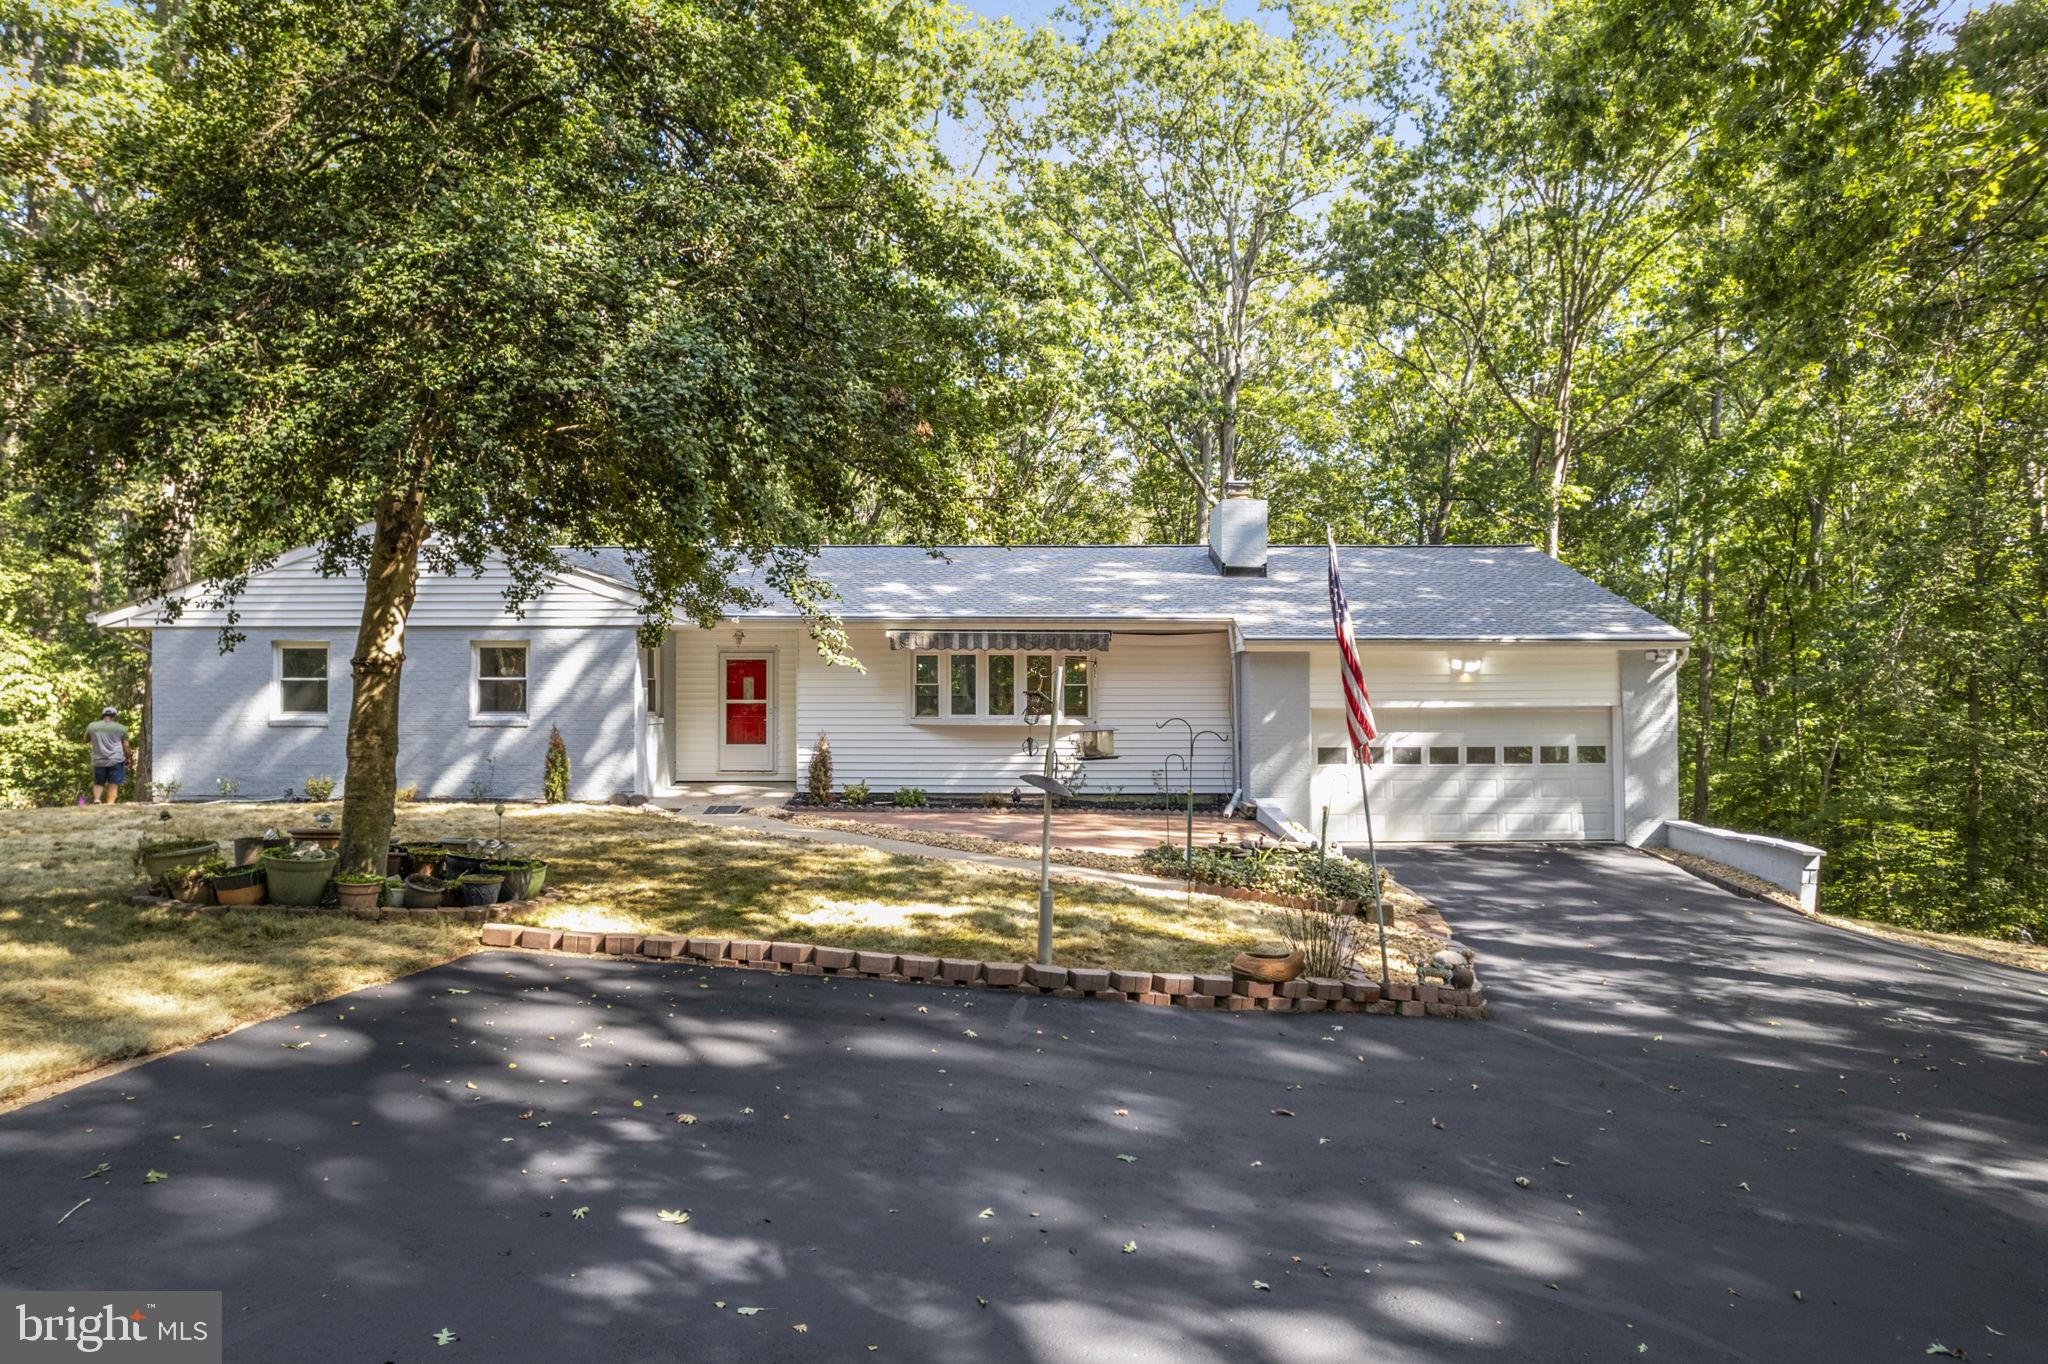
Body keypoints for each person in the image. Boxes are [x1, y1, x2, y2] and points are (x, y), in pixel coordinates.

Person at [87, 705, 132, 804]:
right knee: (113, 783)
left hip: (98, 760)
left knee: (98, 782)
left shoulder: (92, 726)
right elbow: (126, 745)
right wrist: (128, 758)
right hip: (116, 760)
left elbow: (86, 739)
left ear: (103, 715)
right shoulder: (120, 728)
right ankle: (110, 804)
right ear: (114, 716)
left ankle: (97, 799)